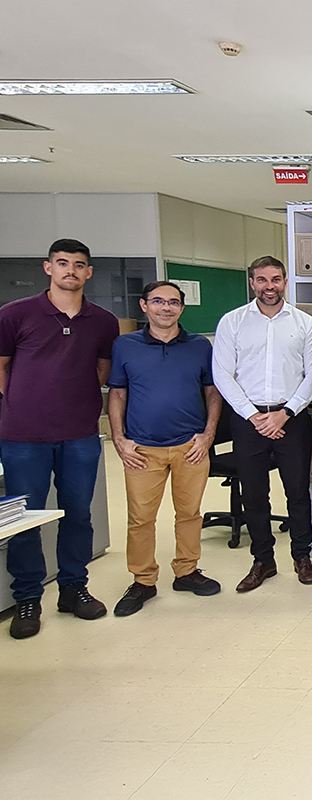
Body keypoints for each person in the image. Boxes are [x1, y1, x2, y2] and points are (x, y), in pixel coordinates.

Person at [0, 239, 119, 639]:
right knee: (26, 517)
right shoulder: (15, 314)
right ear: (48, 267)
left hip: (79, 434)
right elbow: (2, 367)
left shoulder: (103, 321)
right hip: (23, 436)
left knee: (78, 514)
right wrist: (22, 403)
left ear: (89, 272)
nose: (71, 270)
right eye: (63, 263)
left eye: (79, 264)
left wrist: (73, 403)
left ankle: (73, 588)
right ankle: (28, 597)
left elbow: (101, 370)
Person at [107, 281, 222, 616]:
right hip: (142, 449)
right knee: (140, 518)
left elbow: (212, 392)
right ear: (144, 306)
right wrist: (119, 439)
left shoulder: (199, 346)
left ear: (182, 308)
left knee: (189, 514)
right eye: (158, 301)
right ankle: (143, 580)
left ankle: (187, 571)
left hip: (190, 446)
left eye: (173, 302)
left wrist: (208, 435)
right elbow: (117, 393)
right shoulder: (125, 345)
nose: (166, 308)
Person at [213, 256, 312, 592]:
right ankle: (263, 560)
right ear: (252, 283)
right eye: (262, 280)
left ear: (285, 282)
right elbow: (222, 374)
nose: (269, 286)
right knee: (254, 494)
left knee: (298, 493)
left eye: (275, 279)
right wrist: (253, 416)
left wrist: (285, 413)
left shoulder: (305, 324)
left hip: (292, 419)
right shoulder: (232, 322)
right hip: (249, 421)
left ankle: (302, 556)